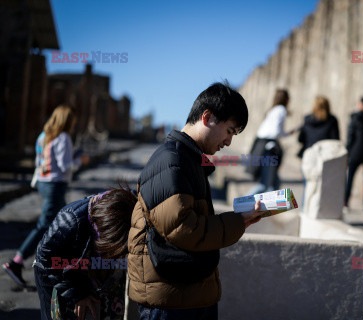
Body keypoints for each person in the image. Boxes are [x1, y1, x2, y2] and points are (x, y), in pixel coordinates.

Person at [128, 82, 265, 320]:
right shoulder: (171, 160)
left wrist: (240, 221)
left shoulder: (188, 160)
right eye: (230, 131)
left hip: (186, 295)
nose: (229, 142)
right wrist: (236, 222)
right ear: (207, 117)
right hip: (170, 303)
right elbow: (182, 228)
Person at [3, 105, 88, 286]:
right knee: (47, 224)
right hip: (55, 185)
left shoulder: (42, 136)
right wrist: (80, 160)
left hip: (42, 183)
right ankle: (16, 262)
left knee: (60, 223)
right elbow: (66, 167)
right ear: (67, 121)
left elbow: (37, 161)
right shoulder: (64, 137)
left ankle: (54, 263)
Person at [33, 187, 137, 320]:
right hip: (56, 273)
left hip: (89, 269)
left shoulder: (127, 206)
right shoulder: (69, 220)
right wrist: (77, 295)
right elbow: (47, 259)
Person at [247, 89, 294, 195]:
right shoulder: (281, 110)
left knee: (275, 184)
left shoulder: (272, 110)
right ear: (286, 100)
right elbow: (275, 132)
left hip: (261, 147)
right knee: (266, 185)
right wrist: (287, 134)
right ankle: (241, 204)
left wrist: (287, 133)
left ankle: (268, 210)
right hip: (268, 149)